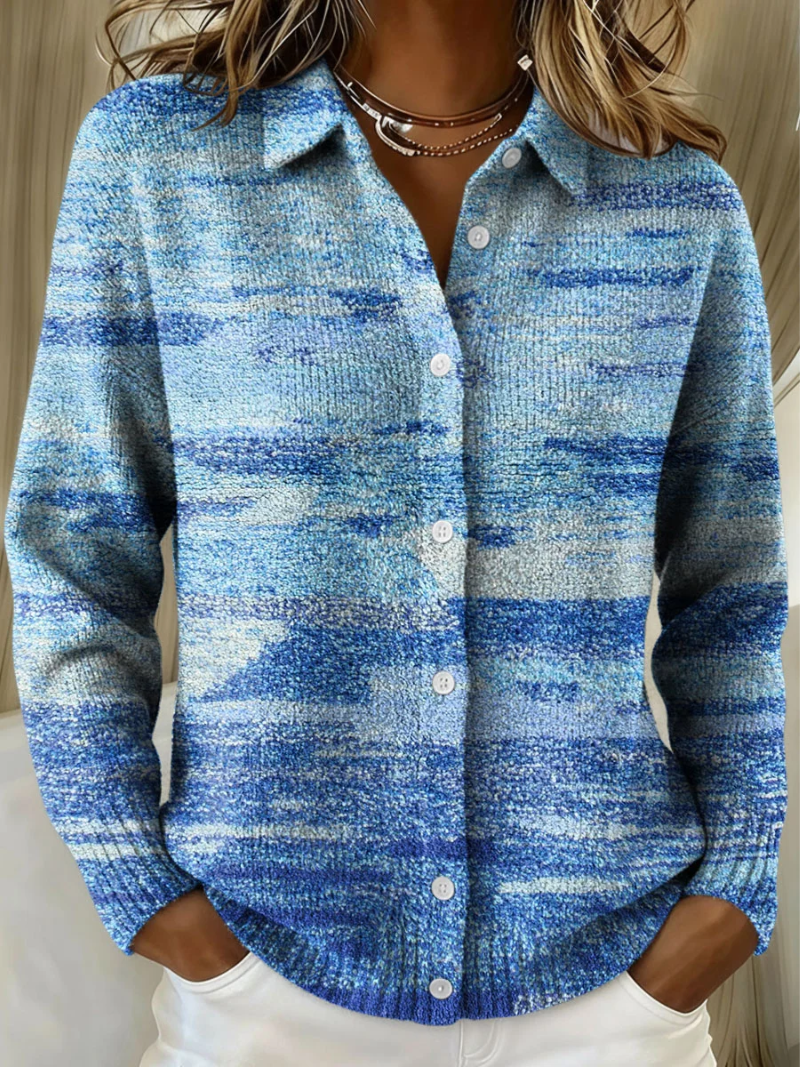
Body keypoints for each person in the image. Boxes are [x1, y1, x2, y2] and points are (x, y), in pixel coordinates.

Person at [4, 0, 789, 1064]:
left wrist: (733, 886)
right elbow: (75, 552)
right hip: (263, 986)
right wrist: (140, 883)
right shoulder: (161, 161)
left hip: (614, 991)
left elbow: (730, 593)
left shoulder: (674, 205)